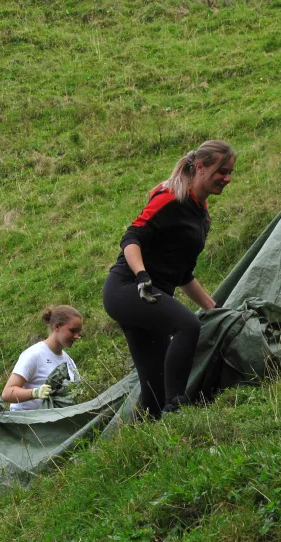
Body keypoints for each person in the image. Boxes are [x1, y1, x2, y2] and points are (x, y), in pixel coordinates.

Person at [103, 140, 235, 418]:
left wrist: (216, 309)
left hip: (152, 298)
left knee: (153, 394)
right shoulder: (170, 199)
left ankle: (150, 433)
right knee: (188, 324)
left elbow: (183, 275)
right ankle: (176, 409)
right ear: (200, 167)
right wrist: (141, 276)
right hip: (128, 289)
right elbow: (131, 238)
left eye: (230, 172)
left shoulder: (202, 216)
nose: (227, 178)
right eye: (222, 171)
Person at [2, 306, 82, 411]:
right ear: (57, 326)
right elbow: (7, 393)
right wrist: (35, 393)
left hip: (56, 423)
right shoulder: (34, 355)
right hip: (26, 423)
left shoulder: (68, 361)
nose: (77, 336)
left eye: (79, 332)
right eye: (72, 331)